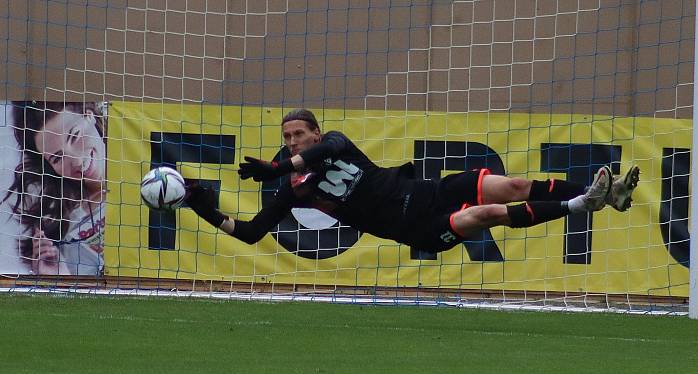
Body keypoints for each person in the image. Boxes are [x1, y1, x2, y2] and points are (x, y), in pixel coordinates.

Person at [186, 108, 639, 254]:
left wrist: (277, 166)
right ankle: (582, 204)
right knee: (488, 213)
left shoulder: (334, 143)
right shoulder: (293, 188)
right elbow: (248, 233)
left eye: (298, 134)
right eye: (285, 137)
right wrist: (198, 204)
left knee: (514, 186)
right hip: (416, 228)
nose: (290, 141)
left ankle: (604, 192)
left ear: (315, 133)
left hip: (426, 191)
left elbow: (324, 155)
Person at [2, 101, 106, 275]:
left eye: (75, 136)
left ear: (89, 115)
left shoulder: (148, 168)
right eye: (57, 158)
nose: (77, 162)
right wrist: (59, 279)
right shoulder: (64, 229)